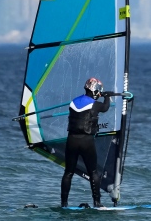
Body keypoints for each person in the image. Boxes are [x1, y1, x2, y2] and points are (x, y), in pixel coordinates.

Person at [60, 77, 119, 208]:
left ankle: (64, 203)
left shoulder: (73, 102)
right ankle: (97, 202)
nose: (99, 93)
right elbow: (105, 108)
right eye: (99, 91)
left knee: (68, 172)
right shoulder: (95, 104)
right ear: (94, 90)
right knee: (93, 172)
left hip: (72, 140)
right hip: (86, 141)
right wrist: (107, 97)